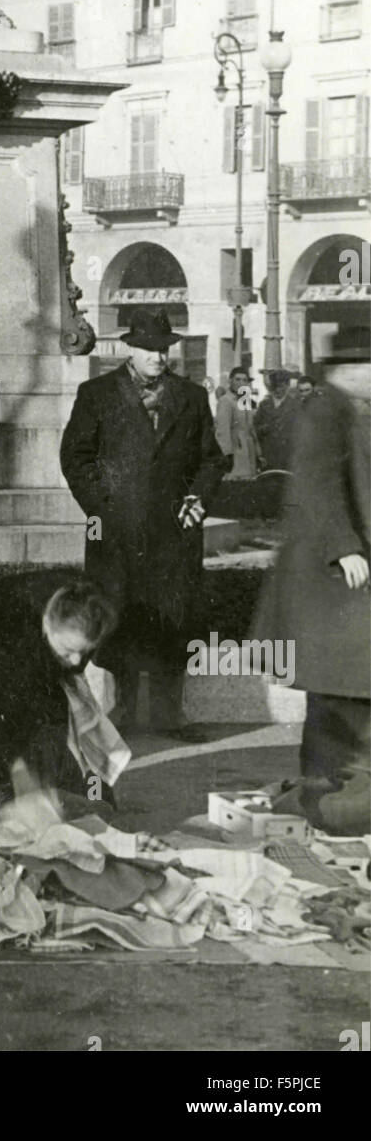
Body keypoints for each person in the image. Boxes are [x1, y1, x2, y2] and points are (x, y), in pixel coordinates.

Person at [60, 307, 227, 738]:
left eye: (164, 349)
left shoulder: (191, 397)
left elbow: (211, 459)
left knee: (174, 621)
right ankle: (126, 710)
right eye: (149, 349)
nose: (158, 357)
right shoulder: (96, 394)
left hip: (174, 533)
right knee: (120, 620)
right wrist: (101, 507)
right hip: (118, 533)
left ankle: (173, 715)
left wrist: (198, 497)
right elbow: (75, 458)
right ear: (129, 348)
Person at [253, 324, 370, 834]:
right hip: (331, 574)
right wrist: (345, 546)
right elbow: (318, 478)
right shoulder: (327, 407)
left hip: (333, 578)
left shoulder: (347, 408)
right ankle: (328, 794)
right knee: (341, 681)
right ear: (346, 370)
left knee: (338, 683)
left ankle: (328, 789)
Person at [0, 570, 123, 826]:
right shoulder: (0, 646)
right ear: (47, 623)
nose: (76, 662)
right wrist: (23, 783)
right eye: (69, 651)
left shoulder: (85, 601)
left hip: (23, 658)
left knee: (67, 771)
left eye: (83, 653)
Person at [214, 366, 260, 479]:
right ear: (230, 381)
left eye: (244, 380)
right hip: (235, 456)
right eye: (237, 379)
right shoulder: (226, 401)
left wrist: (258, 453)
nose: (241, 383)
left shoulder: (245, 401)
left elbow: (251, 429)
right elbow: (222, 431)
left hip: (249, 455)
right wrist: (227, 455)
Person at [254, 368, 301, 471]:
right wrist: (263, 429)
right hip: (267, 457)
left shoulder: (296, 406)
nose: (278, 390)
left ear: (288, 385)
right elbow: (254, 429)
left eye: (281, 386)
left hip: (288, 457)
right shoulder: (264, 405)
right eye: (274, 387)